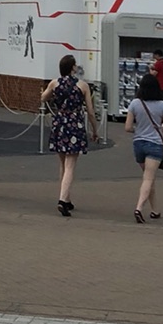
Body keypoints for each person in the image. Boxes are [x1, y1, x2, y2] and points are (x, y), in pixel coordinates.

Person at [41, 55, 98, 217]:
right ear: (72, 67)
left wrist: (53, 96)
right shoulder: (83, 86)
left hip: (59, 122)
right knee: (71, 165)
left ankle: (67, 197)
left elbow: (43, 98)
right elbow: (91, 112)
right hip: (75, 123)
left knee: (63, 163)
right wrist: (94, 130)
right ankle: (62, 200)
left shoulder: (54, 83)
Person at [125, 84, 163, 223]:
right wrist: (158, 127)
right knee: (148, 178)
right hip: (154, 145)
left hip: (138, 144)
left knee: (148, 178)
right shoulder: (162, 105)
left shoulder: (135, 103)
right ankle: (139, 208)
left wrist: (139, 130)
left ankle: (155, 210)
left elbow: (127, 127)